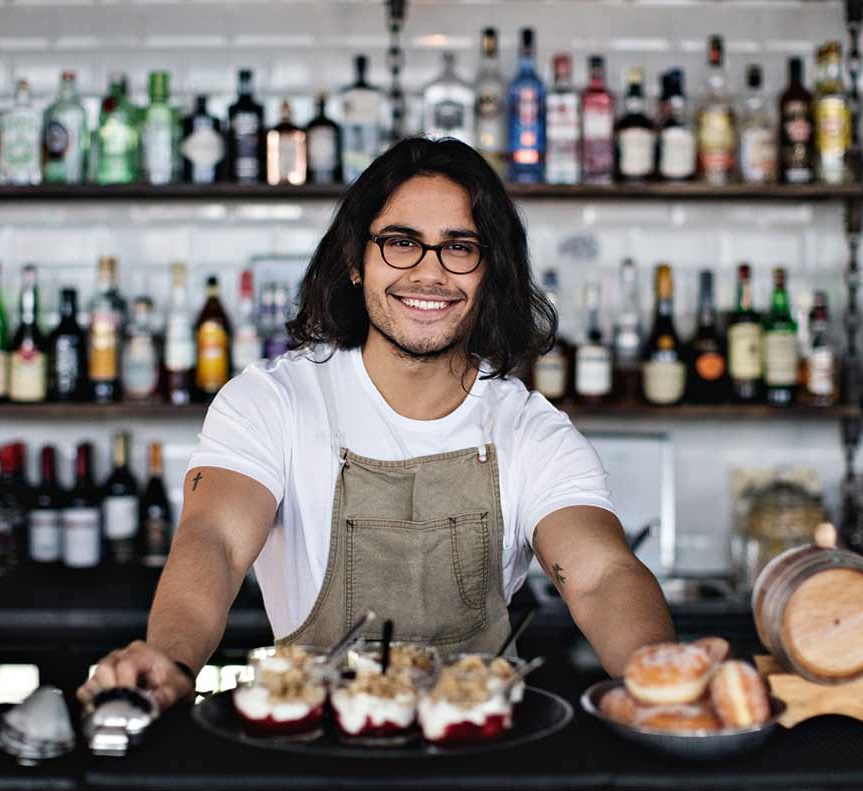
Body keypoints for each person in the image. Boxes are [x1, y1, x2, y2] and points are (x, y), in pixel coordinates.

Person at [77, 137, 674, 709]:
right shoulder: (272, 402)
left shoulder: (530, 430)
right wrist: (171, 660)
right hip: (311, 745)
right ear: (356, 262)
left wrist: (665, 673)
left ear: (489, 273)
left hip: (480, 752)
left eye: (460, 247)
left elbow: (600, 575)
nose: (430, 272)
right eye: (400, 242)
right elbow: (217, 541)